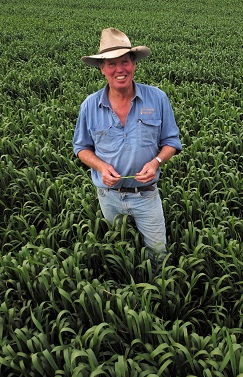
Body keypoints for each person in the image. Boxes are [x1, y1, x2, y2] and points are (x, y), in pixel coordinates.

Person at [73, 28, 182, 279]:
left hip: (146, 196)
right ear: (102, 68)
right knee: (120, 250)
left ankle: (160, 300)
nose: (119, 69)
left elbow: (172, 142)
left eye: (125, 62)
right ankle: (124, 295)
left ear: (134, 64)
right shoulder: (90, 105)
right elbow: (81, 148)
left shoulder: (157, 98)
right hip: (108, 196)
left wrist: (156, 162)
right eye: (111, 64)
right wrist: (100, 167)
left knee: (158, 256)